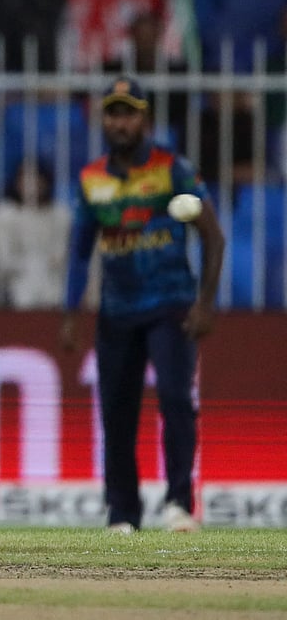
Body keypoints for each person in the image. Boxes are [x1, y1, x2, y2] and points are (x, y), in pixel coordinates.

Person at [59, 76, 225, 534]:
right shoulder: (92, 180)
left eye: (129, 113)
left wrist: (205, 304)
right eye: (113, 113)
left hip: (170, 305)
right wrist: (71, 313)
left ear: (145, 119)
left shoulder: (173, 170)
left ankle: (178, 503)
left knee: (175, 400)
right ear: (104, 120)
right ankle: (122, 513)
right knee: (116, 412)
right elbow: (80, 251)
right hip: (116, 312)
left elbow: (213, 236)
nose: (120, 122)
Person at [0, 158, 72, 309]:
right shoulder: (5, 214)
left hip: (52, 279)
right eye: (25, 179)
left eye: (36, 179)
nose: (31, 185)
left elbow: (60, 257)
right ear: (16, 182)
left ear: (46, 181)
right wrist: (30, 265)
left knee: (42, 272)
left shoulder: (60, 214)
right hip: (15, 281)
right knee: (31, 271)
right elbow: (4, 260)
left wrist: (40, 265)